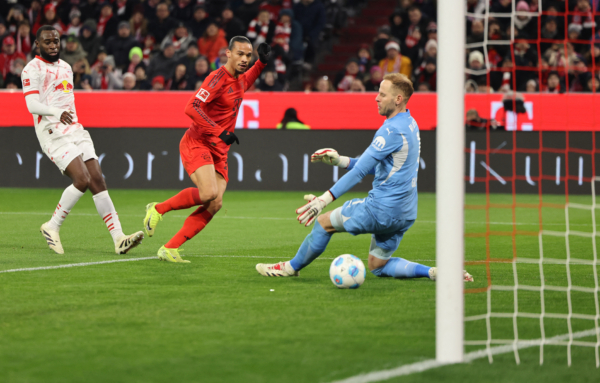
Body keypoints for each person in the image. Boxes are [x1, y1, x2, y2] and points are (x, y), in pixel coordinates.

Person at [255, 73, 474, 282]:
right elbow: (377, 166)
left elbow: (360, 172)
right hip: (405, 213)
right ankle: (435, 272)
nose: (376, 98)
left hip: (381, 211)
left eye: (382, 94)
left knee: (323, 223)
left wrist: (323, 199)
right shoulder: (410, 124)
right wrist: (341, 160)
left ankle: (289, 268)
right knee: (378, 265)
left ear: (398, 99)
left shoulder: (390, 131)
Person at [143, 37, 271, 263]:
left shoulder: (240, 78)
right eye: (240, 54)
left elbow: (246, 81)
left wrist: (262, 63)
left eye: (248, 55)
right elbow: (191, 107)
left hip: (220, 150)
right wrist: (218, 131)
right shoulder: (217, 78)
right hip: (199, 142)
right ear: (228, 54)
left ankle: (170, 248)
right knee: (208, 193)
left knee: (216, 202)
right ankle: (158, 209)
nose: (244, 59)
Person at [21, 26, 144, 255]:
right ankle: (52, 226)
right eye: (47, 41)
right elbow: (31, 105)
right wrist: (56, 113)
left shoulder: (66, 67)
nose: (53, 45)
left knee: (97, 180)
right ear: (37, 44)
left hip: (75, 129)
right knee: (82, 179)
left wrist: (70, 121)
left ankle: (118, 238)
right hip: (51, 131)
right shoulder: (32, 69)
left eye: (56, 41)